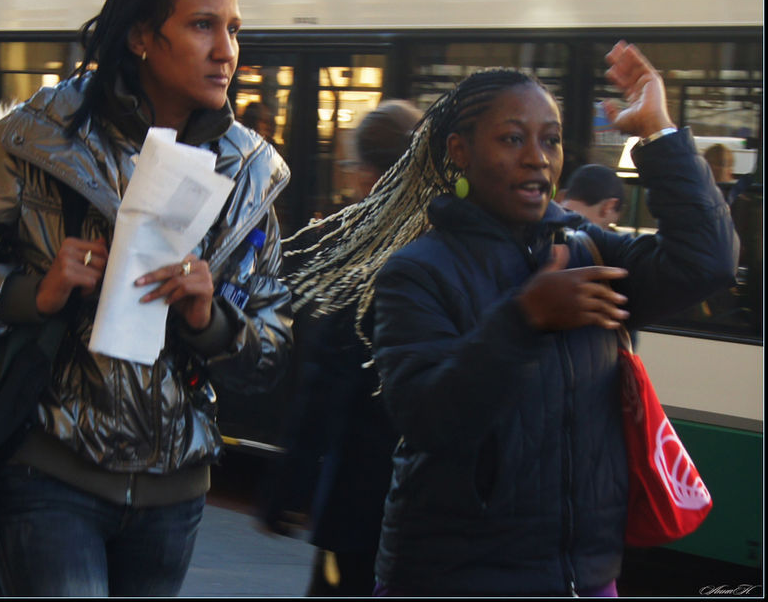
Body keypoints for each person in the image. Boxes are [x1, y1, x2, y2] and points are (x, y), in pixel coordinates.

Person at [0, 0, 293, 597]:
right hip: (46, 474)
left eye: (234, 29)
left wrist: (209, 317)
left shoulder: (246, 172)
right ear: (140, 37)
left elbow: (272, 341)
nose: (226, 50)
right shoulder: (36, 137)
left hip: (176, 492)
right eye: (202, 25)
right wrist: (29, 294)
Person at [283, 41, 737, 596]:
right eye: (511, 139)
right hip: (458, 581)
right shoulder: (417, 272)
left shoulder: (589, 247)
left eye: (550, 140)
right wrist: (525, 318)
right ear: (460, 152)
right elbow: (428, 418)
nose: (537, 157)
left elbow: (706, 263)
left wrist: (660, 133)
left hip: (586, 579)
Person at [260, 100, 422, 596]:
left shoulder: (365, 260)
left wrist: (290, 488)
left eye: (353, 168)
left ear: (370, 176)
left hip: (362, 500)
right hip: (433, 509)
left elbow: (327, 382)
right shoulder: (447, 240)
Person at [557, 163, 625, 230]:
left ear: (561, 196)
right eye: (609, 225)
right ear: (608, 207)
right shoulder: (593, 237)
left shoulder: (549, 229)